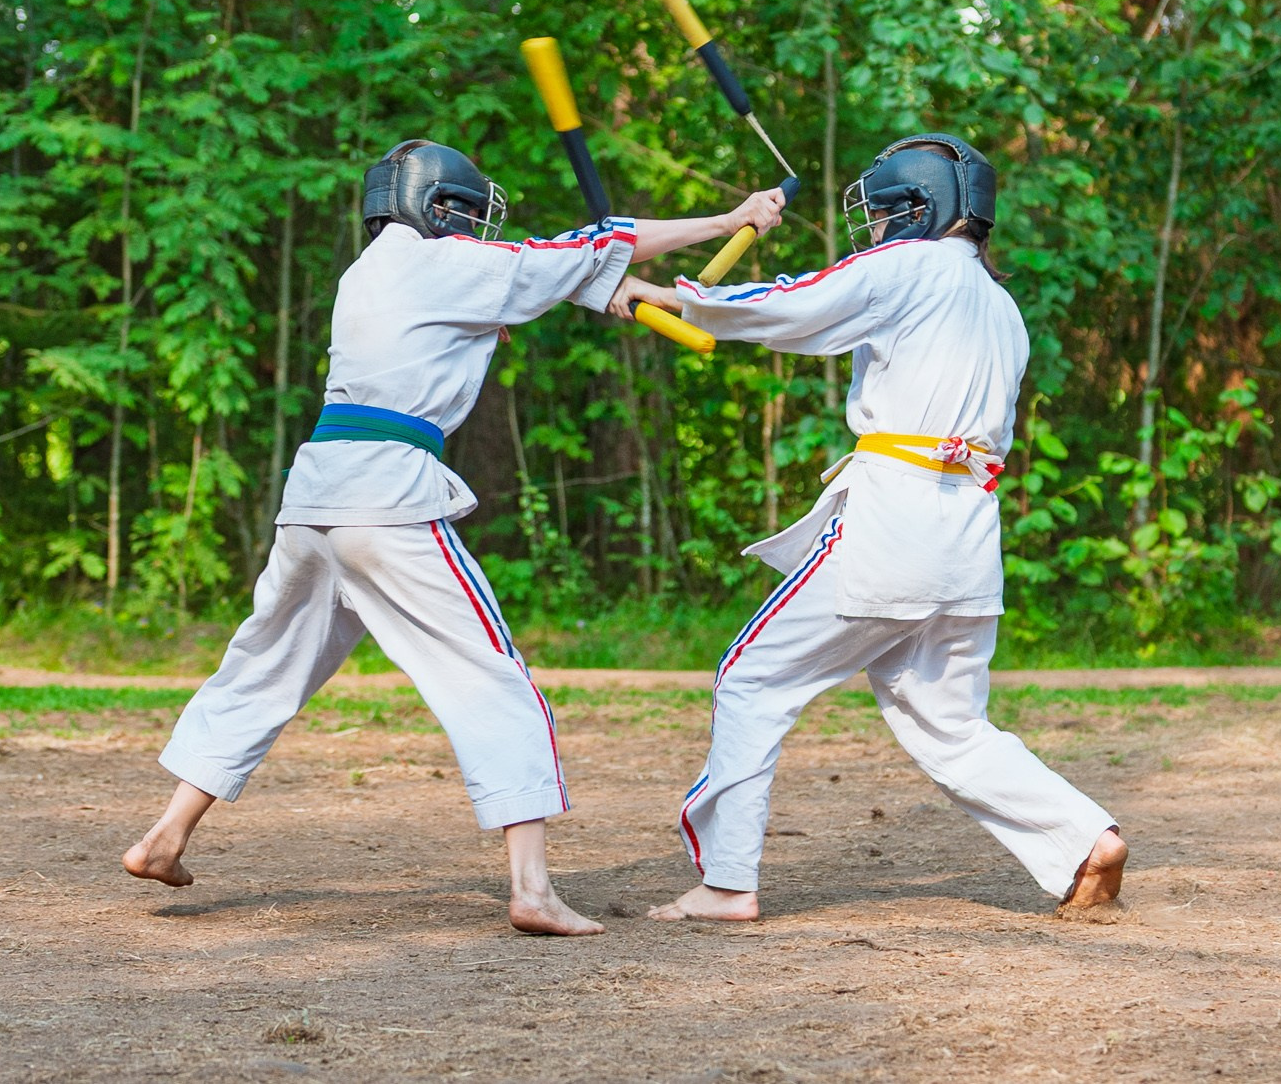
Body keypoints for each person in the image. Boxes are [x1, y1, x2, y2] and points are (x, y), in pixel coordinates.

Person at [125, 139, 789, 935]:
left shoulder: (370, 269)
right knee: (492, 678)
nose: (480, 231)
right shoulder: (456, 266)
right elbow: (596, 241)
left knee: (262, 667)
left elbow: (567, 276)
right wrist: (733, 216)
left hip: (315, 498)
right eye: (472, 217)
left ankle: (165, 834)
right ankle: (533, 889)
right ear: (442, 210)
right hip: (389, 498)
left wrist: (621, 290)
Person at [614, 134, 1126, 920]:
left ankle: (726, 881)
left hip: (896, 519)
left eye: (886, 214)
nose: (878, 230)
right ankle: (1085, 836)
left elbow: (793, 301)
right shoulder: (1003, 307)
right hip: (968, 534)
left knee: (752, 678)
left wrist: (665, 294)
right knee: (951, 722)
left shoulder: (908, 265)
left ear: (922, 211)